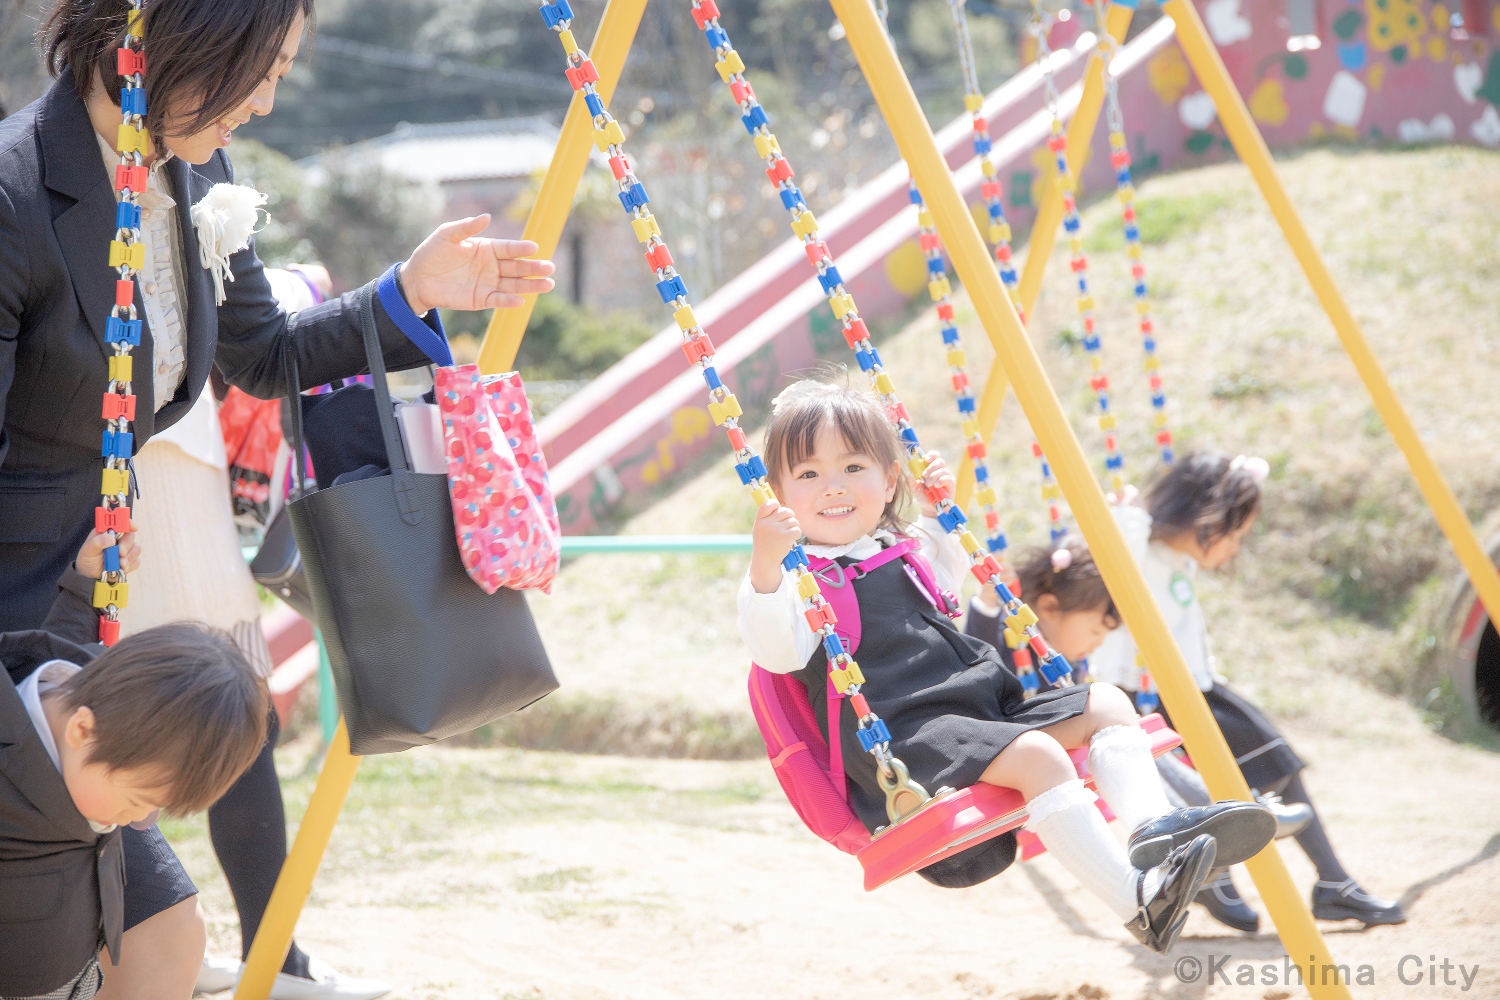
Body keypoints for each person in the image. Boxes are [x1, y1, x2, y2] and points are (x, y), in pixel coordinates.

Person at [0, 2, 554, 994]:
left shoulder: (196, 172)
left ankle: (270, 956)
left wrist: (410, 291)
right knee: (58, 953)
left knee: (162, 936)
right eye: (260, 70)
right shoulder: (14, 193)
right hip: (15, 633)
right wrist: (64, 539)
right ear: (183, 40)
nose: (264, 103)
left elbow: (268, 354)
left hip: (73, 629)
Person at [736, 378, 1276, 953]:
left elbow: (943, 590)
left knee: (1108, 704)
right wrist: (766, 566)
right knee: (1040, 757)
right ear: (777, 494)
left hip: (984, 710)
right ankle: (1137, 901)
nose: (833, 488)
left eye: (852, 467)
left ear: (890, 479)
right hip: (909, 741)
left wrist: (941, 514)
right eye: (809, 474)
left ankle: (1155, 829)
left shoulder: (896, 547)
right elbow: (775, 652)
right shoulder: (796, 580)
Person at [124, 268, 387, 998]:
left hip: (175, 450)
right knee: (148, 716)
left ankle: (262, 952)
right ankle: (175, 947)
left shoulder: (197, 171)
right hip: (128, 455)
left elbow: (249, 340)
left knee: (224, 717)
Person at [1088, 450, 1406, 928]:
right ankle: (1216, 879)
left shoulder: (1178, 560)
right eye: (1235, 535)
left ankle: (1328, 883)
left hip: (1196, 688)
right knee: (1211, 788)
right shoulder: (1138, 551)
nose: (1236, 547)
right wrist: (1129, 516)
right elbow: (1112, 557)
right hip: (1145, 695)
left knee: (1276, 762)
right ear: (1205, 521)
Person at [1, 529, 269, 1000]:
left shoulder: (79, 691)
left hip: (70, 965)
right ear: (82, 731)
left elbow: (62, 645)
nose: (143, 820)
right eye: (140, 800)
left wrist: (85, 587)